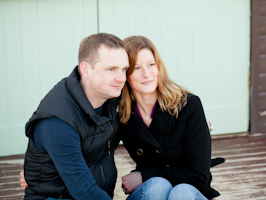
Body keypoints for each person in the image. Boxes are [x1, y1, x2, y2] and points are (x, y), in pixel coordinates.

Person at [22, 33, 129, 199]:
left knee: (156, 188)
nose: (121, 78)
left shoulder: (113, 98)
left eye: (124, 69)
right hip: (58, 197)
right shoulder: (58, 121)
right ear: (86, 70)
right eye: (111, 69)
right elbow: (84, 191)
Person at [118, 36, 221, 200]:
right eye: (137, 68)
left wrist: (144, 175)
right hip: (152, 193)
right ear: (125, 74)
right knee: (158, 186)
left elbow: (199, 177)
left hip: (190, 193)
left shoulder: (188, 105)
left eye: (151, 65)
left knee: (181, 193)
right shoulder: (121, 112)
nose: (147, 74)